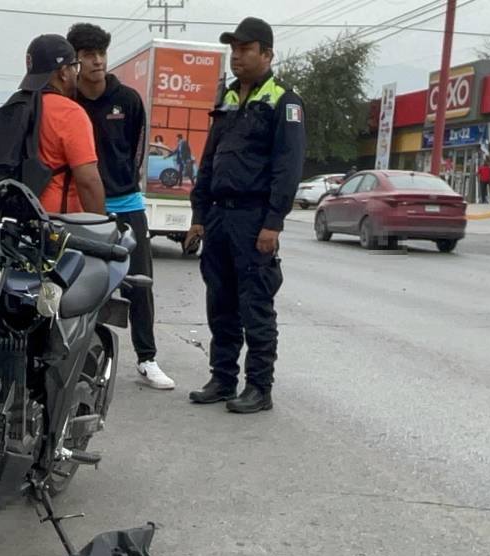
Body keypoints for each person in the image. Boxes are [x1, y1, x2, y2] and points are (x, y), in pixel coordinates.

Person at [185, 17, 304, 414]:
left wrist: (273, 222)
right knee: (220, 302)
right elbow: (208, 161)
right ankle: (222, 378)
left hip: (254, 220)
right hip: (219, 217)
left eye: (245, 49)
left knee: (255, 304)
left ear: (267, 54)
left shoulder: (284, 102)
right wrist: (199, 214)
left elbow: (288, 167)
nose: (236, 56)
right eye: (233, 49)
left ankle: (259, 387)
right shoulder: (228, 98)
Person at [67, 22, 174, 391]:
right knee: (81, 287)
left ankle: (147, 359)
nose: (97, 62)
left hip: (126, 205)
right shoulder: (67, 100)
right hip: (81, 211)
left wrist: (122, 186)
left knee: (139, 284)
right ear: (75, 60)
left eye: (101, 54)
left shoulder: (127, 99)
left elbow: (136, 152)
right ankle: (79, 361)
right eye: (88, 56)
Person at [19, 34, 105, 215]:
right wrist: (101, 229)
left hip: (17, 218)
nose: (76, 73)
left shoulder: (16, 106)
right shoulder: (70, 113)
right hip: (58, 223)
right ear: (64, 72)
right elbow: (88, 181)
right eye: (75, 67)